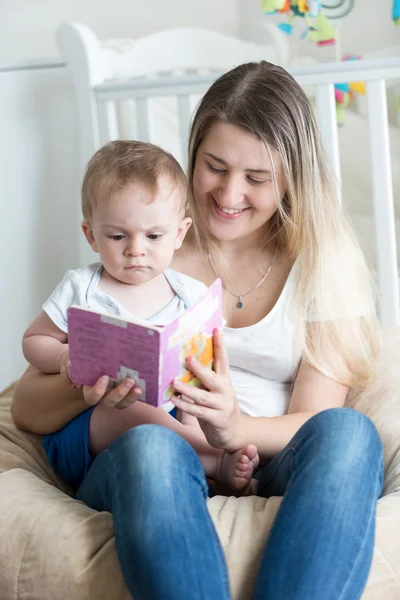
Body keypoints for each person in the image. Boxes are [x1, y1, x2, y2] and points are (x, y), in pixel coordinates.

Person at [12, 61, 384, 600]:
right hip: (149, 454)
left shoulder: (325, 262)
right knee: (151, 446)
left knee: (351, 434)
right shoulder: (148, 249)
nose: (230, 195)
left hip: (262, 459)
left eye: (257, 179)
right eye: (215, 167)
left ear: (290, 180)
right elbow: (27, 405)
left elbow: (316, 420)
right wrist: (86, 382)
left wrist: (236, 430)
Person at [21, 140, 259, 493]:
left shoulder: (189, 295)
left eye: (153, 236)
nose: (135, 249)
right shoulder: (82, 288)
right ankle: (213, 459)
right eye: (117, 236)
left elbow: (201, 368)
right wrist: (62, 357)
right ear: (91, 235)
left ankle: (200, 463)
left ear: (179, 234)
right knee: (127, 410)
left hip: (174, 417)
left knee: (193, 400)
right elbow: (33, 340)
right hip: (88, 429)